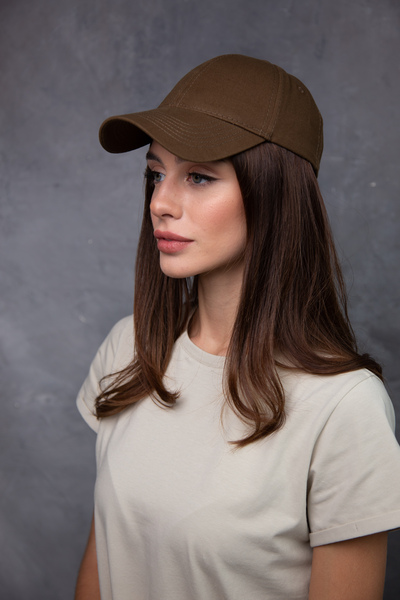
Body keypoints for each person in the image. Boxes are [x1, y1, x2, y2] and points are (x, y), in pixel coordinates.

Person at [74, 54, 400, 600]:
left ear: (276, 193)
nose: (160, 203)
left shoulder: (344, 407)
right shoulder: (129, 349)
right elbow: (104, 559)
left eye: (199, 176)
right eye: (156, 173)